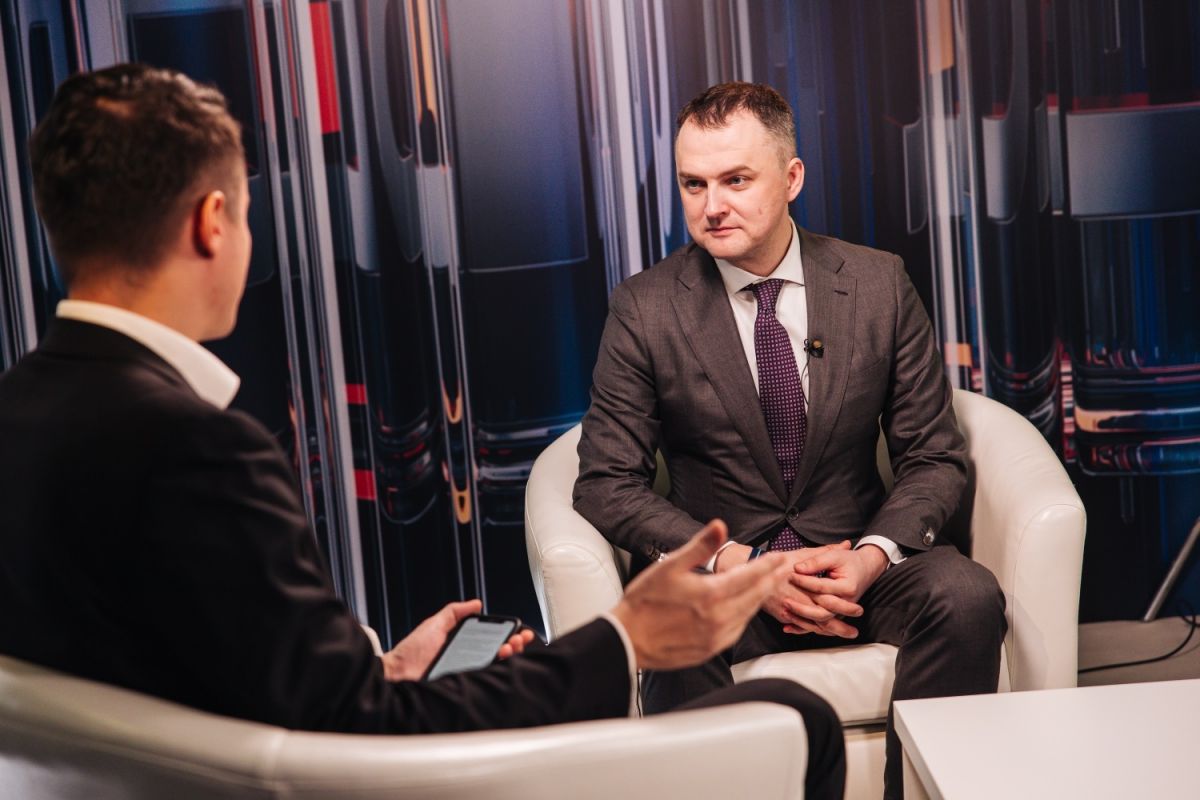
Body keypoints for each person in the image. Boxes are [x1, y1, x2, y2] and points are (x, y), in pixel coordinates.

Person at [0, 66, 845, 798]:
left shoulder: (19, 411)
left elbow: (224, 671)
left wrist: (377, 668)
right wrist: (625, 640)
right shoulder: (198, 451)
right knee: (796, 716)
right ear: (211, 222)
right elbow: (367, 735)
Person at [574, 81, 1007, 799]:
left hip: (853, 564)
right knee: (674, 627)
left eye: (736, 180)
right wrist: (741, 566)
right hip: (726, 579)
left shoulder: (877, 283)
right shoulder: (644, 309)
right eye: (693, 184)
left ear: (792, 177)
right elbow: (605, 482)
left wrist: (871, 557)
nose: (712, 205)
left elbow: (932, 454)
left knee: (966, 595)